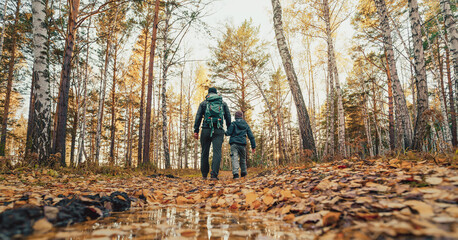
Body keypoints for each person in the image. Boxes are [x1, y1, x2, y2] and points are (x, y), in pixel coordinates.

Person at [193, 87, 231, 180]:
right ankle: (214, 175)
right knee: (217, 152)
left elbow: (198, 117)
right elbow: (228, 116)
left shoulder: (203, 103)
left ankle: (204, 175)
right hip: (218, 129)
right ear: (216, 93)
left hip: (206, 128)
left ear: (208, 93)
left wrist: (196, 130)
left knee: (204, 152)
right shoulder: (223, 103)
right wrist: (229, 129)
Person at [225, 111, 255, 179]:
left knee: (234, 158)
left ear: (235, 117)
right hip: (242, 144)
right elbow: (251, 136)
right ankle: (243, 173)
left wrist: (225, 131)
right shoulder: (246, 124)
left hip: (234, 143)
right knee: (243, 158)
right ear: (241, 116)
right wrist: (253, 146)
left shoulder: (233, 124)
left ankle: (236, 174)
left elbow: (228, 133)